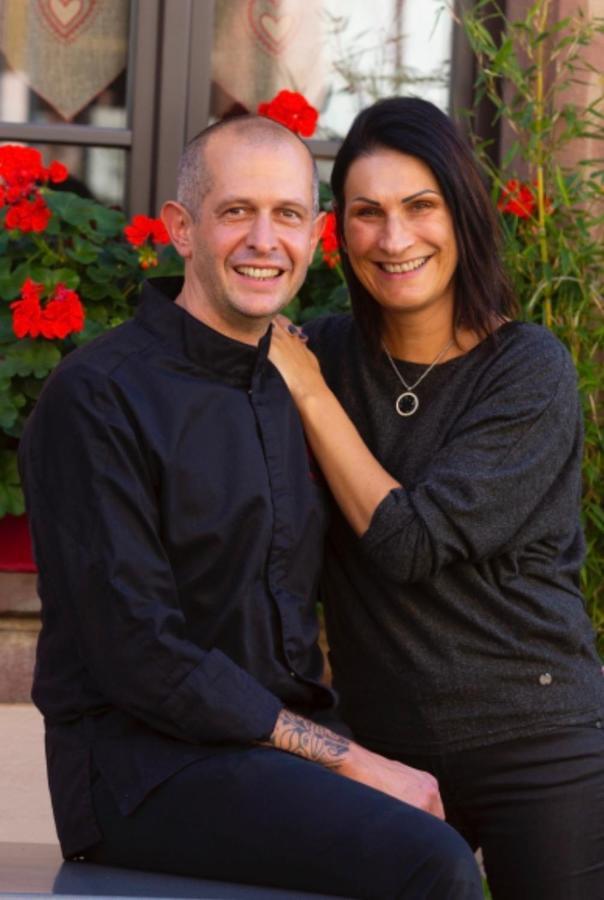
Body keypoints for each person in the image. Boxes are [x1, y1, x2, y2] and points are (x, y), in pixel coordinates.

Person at [18, 113, 484, 900]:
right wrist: (349, 760)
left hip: (272, 755)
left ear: (316, 235)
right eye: (237, 212)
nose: (265, 240)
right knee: (428, 861)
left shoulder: (290, 384)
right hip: (143, 769)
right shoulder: (96, 398)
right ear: (181, 229)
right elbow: (142, 656)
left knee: (464, 814)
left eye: (288, 215)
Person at [268, 97, 604, 900]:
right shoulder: (323, 348)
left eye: (421, 207)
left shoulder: (528, 369)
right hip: (383, 747)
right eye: (366, 213)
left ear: (463, 214)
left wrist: (312, 396)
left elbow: (410, 542)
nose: (394, 239)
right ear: (337, 233)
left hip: (539, 739)